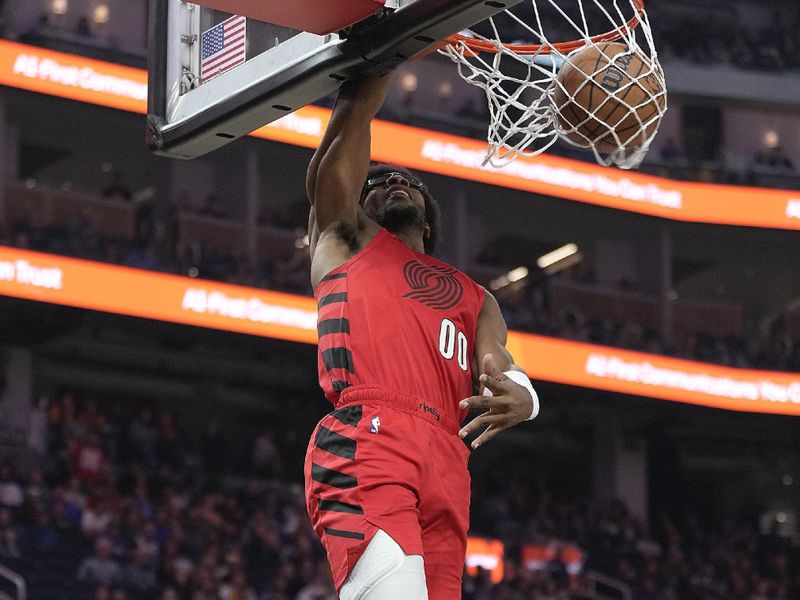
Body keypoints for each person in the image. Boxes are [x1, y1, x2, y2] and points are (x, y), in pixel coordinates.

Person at [303, 72, 540, 600]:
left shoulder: (477, 297)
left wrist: (526, 398)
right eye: (375, 182)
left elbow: (499, 365)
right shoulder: (345, 242)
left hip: (449, 459)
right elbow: (345, 137)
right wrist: (383, 57)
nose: (391, 183)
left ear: (429, 220)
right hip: (370, 432)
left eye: (406, 181)